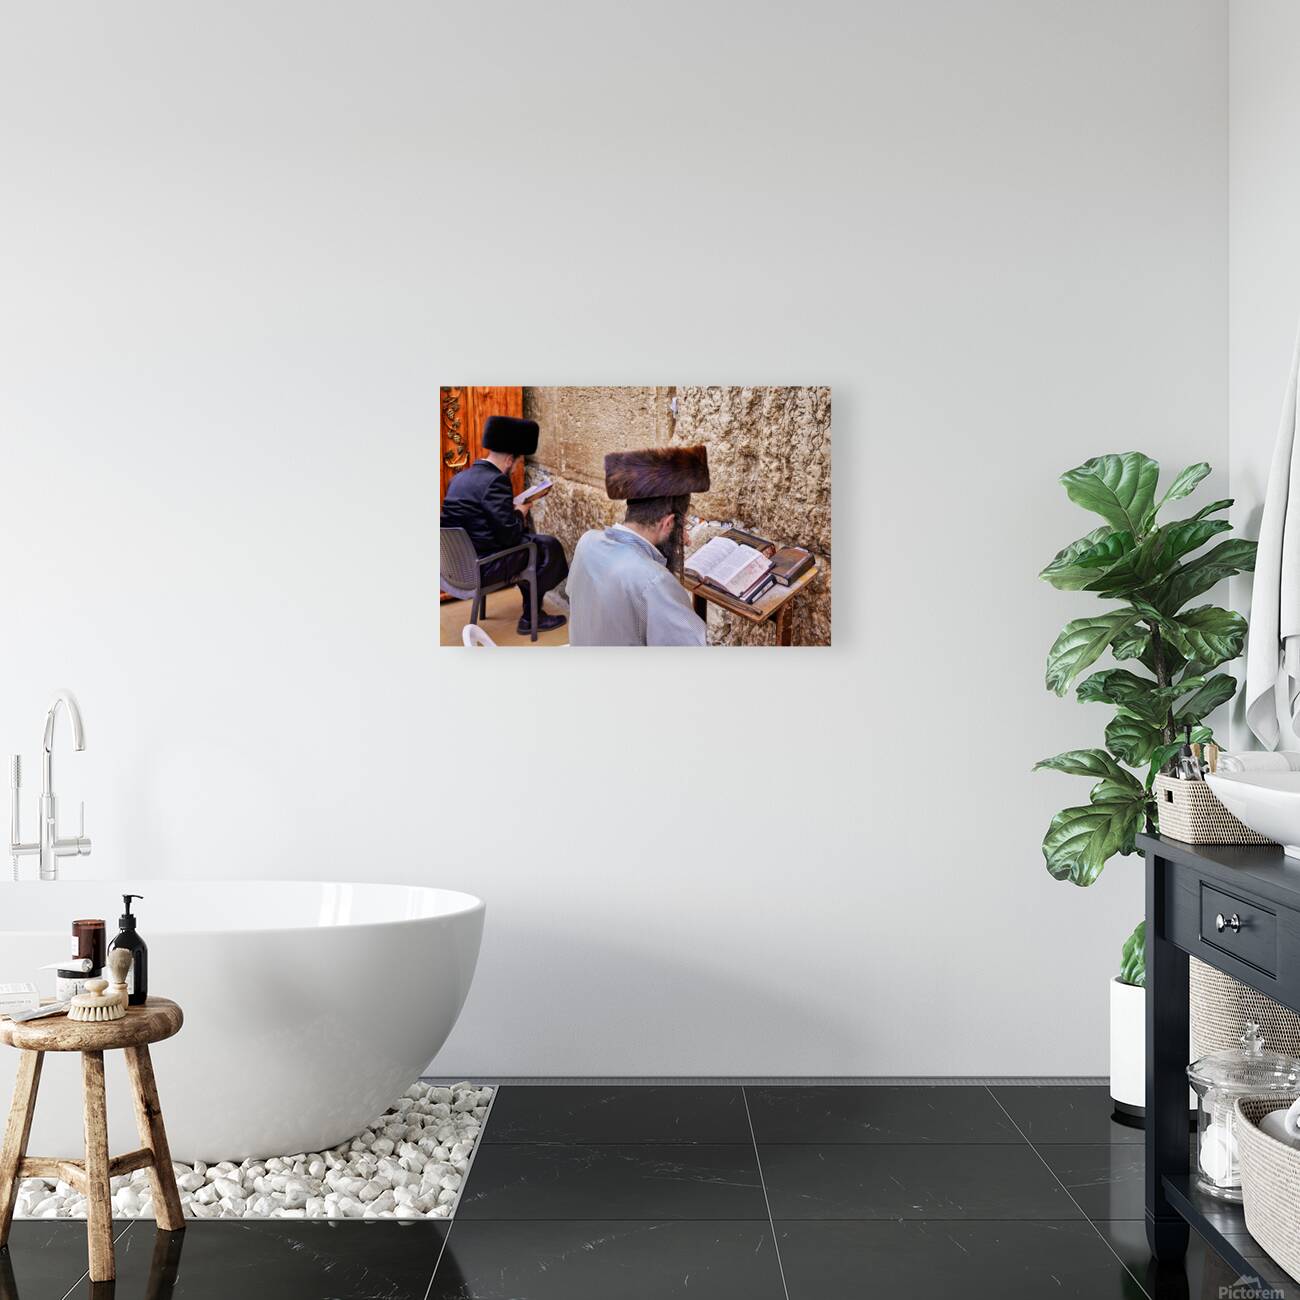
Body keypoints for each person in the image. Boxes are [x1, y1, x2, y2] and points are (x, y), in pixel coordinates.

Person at [567, 445, 711, 646]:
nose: (686, 539)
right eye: (683, 527)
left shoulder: (586, 542)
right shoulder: (654, 581)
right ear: (667, 523)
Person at [440, 415, 568, 635]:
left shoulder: (461, 478)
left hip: (456, 568)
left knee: (533, 545)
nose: (516, 468)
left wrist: (509, 509)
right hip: (483, 567)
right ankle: (531, 618)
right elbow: (510, 537)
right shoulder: (496, 481)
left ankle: (531, 610)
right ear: (509, 459)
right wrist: (520, 511)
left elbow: (476, 518)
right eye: (517, 463)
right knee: (547, 546)